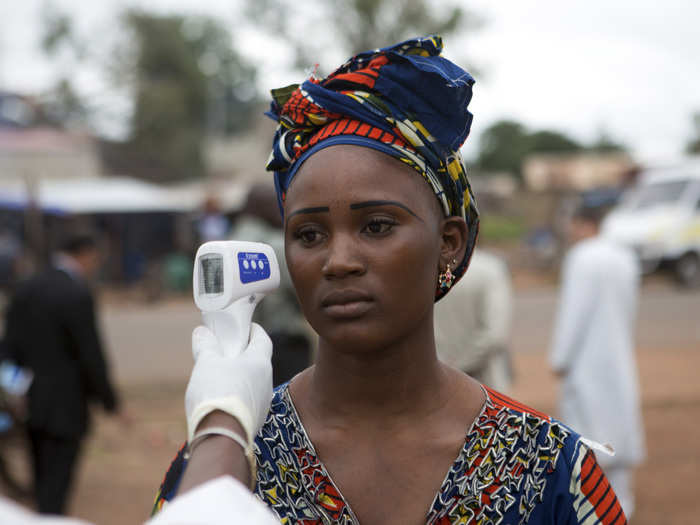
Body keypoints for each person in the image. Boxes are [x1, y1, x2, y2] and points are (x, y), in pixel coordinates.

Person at [155, 36, 628, 524]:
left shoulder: (549, 469)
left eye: (377, 226)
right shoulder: (228, 463)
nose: (338, 261)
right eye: (309, 233)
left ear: (450, 242)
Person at [1, 232, 126, 515]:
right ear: (86, 255)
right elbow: (90, 355)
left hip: (29, 401)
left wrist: (14, 389)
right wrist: (109, 401)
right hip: (67, 404)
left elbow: (8, 347)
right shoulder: (77, 293)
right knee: (58, 482)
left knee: (41, 475)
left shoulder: (26, 288)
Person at [550, 204, 645, 518]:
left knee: (588, 443)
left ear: (581, 224)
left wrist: (560, 356)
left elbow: (573, 314)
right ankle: (622, 511)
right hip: (617, 357)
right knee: (617, 438)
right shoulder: (624, 257)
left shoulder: (583, 258)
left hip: (586, 363)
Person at [229, 184, 312, 386]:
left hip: (240, 345)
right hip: (284, 342)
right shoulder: (275, 245)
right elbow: (302, 294)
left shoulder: (227, 243)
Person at [434, 249, 513, 391]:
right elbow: (495, 335)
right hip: (485, 384)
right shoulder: (490, 269)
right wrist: (460, 365)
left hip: (436, 381)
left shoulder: (428, 268)